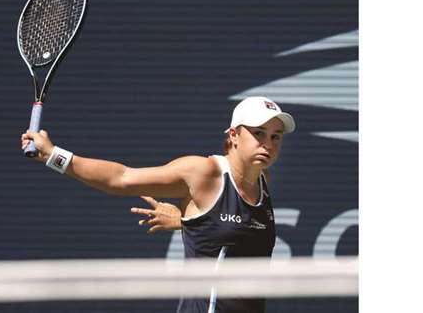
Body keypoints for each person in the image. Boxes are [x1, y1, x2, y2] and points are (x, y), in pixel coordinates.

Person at [21, 96, 296, 313]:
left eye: (275, 136)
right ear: (234, 135)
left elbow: (228, 230)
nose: (268, 144)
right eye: (258, 133)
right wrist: (54, 156)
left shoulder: (263, 181)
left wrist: (188, 221)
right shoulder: (203, 173)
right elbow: (122, 177)